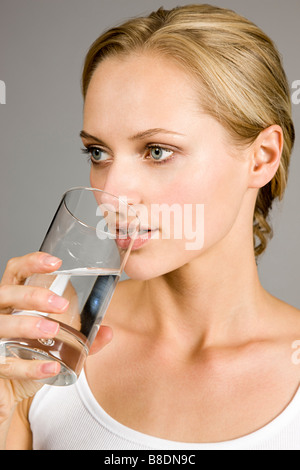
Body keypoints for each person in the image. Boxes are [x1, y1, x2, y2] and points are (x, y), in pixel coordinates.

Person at [0, 4, 299, 450]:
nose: (113, 193)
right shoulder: (45, 346)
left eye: (157, 151)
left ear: (261, 157)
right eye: (98, 153)